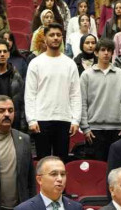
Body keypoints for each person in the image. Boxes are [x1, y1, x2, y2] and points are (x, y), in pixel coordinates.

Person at [25, 23, 82, 160]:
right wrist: (31, 119)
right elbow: (30, 94)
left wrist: (75, 120)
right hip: (41, 119)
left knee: (61, 161)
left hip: (64, 119)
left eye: (58, 35)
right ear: (45, 38)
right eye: (51, 35)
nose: (55, 38)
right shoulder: (36, 63)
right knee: (43, 161)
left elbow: (75, 94)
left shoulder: (70, 63)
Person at [80, 38, 121, 161]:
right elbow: (82, 102)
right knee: (96, 168)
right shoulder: (86, 75)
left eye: (109, 50)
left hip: (117, 130)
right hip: (93, 130)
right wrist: (85, 127)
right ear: (96, 52)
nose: (106, 53)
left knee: (116, 168)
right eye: (103, 50)